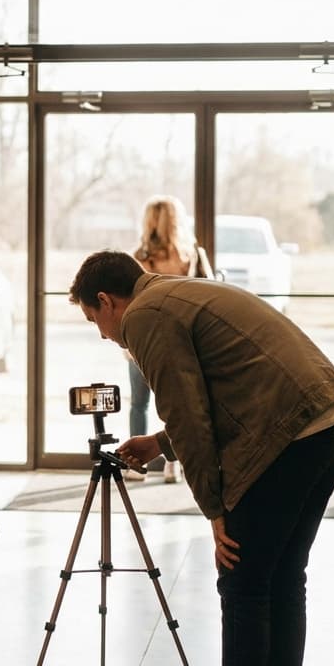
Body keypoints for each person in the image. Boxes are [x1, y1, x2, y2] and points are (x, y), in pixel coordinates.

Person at [69, 250, 334, 666]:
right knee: (284, 577)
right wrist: (161, 443)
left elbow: (190, 413)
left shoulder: (144, 317)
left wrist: (215, 510)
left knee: (242, 580)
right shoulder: (182, 291)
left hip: (287, 434)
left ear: (108, 302)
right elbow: (222, 395)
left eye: (96, 320)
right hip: (328, 420)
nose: (104, 335)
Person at [126, 195, 214, 484]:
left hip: (143, 340)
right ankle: (172, 465)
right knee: (173, 403)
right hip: (182, 341)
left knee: (139, 403)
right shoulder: (191, 256)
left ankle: (135, 464)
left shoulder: (139, 258)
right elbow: (211, 291)